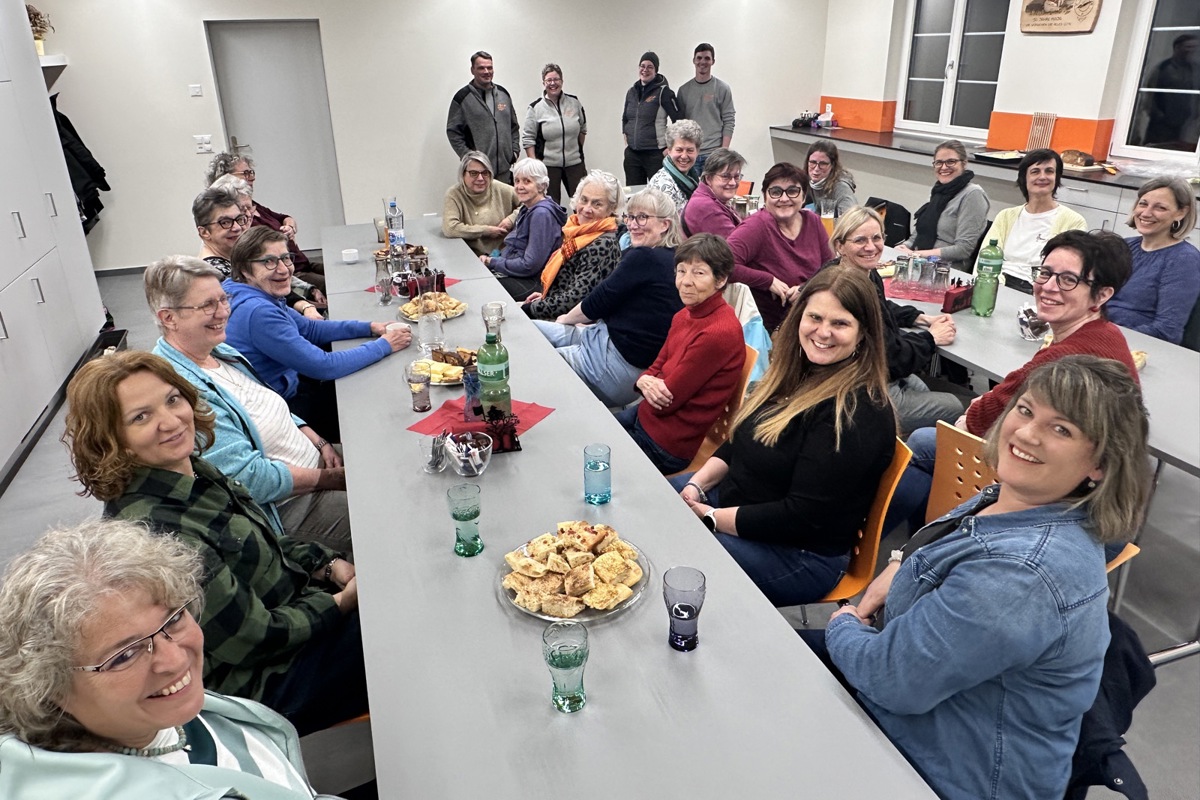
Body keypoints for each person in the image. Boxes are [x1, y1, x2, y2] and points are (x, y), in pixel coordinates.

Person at [819, 355, 1152, 800]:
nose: (1027, 433)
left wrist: (843, 620)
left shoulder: (1023, 575)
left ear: (1099, 467)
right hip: (914, 699)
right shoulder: (1010, 498)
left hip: (943, 772)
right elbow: (937, 548)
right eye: (1027, 409)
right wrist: (899, 562)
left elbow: (893, 681)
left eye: (1062, 429)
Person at [62, 354, 369, 737]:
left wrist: (328, 564)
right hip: (270, 681)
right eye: (140, 417)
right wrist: (342, 602)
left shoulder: (191, 469)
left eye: (173, 400)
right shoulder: (159, 532)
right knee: (400, 622)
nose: (171, 421)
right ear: (112, 441)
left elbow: (268, 548)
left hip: (293, 621)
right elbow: (256, 637)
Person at [0, 519, 346, 799]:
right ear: (49, 687)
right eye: (124, 655)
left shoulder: (152, 719)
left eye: (174, 619)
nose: (173, 659)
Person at [674, 265, 896, 606]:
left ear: (863, 333)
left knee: (674, 555)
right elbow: (740, 443)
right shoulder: (796, 371)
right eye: (815, 318)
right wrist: (696, 487)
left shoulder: (856, 412)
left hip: (797, 554)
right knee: (647, 497)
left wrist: (707, 517)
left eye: (840, 323)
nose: (823, 333)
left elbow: (800, 517)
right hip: (738, 510)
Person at [890, 229, 1138, 531]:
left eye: (1068, 280)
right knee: (932, 457)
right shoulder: (1109, 334)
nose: (1048, 287)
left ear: (1101, 295)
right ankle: (925, 539)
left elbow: (978, 420)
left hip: (1064, 494)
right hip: (1097, 487)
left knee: (923, 441)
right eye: (1045, 273)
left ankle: (904, 541)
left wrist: (976, 411)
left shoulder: (1064, 357)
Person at [145, 255, 351, 553]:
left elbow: (267, 403)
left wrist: (318, 441)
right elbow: (247, 479)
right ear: (168, 318)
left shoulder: (218, 349)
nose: (222, 312)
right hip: (291, 505)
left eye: (223, 299)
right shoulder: (181, 390)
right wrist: (327, 479)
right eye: (207, 305)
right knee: (390, 510)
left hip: (316, 466)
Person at [223, 227, 410, 442]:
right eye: (269, 261)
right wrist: (384, 345)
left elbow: (309, 329)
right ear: (245, 270)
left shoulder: (240, 288)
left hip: (287, 391)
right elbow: (324, 366)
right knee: (376, 403)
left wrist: (370, 327)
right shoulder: (258, 312)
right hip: (287, 412)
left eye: (286, 258)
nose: (284, 270)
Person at [533, 188, 683, 408]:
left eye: (642, 217)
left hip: (610, 366)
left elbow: (598, 301)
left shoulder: (644, 257)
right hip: (606, 346)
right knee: (529, 332)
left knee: (534, 358)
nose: (633, 224)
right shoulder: (671, 257)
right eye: (630, 217)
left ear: (664, 225)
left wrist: (564, 319)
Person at [616, 234, 744, 474]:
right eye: (681, 271)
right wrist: (644, 380)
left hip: (667, 444)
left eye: (698, 273)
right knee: (585, 433)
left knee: (594, 459)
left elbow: (667, 401)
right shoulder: (684, 315)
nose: (685, 281)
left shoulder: (717, 333)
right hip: (646, 416)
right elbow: (658, 365)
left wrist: (647, 381)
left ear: (720, 280)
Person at [829, 207, 962, 433]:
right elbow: (892, 358)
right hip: (860, 388)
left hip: (878, 373)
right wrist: (931, 339)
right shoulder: (844, 290)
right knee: (958, 406)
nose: (871, 247)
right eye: (860, 240)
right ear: (840, 245)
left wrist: (918, 317)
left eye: (877, 238)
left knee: (923, 389)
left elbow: (883, 307)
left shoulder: (864, 273)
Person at [727, 162, 834, 332]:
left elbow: (831, 268)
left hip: (813, 316)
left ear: (804, 196)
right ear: (765, 196)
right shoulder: (757, 226)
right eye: (776, 192)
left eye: (792, 191)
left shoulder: (812, 221)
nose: (784, 199)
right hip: (769, 328)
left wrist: (805, 288)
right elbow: (723, 265)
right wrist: (768, 280)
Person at [207, 176, 325, 321]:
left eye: (249, 209)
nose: (248, 217)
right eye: (240, 213)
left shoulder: (242, 244)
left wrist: (308, 292)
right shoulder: (220, 269)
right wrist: (305, 306)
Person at [205, 152, 324, 293]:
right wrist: (305, 298)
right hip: (292, 272)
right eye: (246, 173)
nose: (252, 178)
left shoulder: (252, 205)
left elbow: (285, 217)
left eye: (252, 173)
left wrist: (290, 227)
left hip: (299, 263)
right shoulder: (240, 225)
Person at [977, 148, 1087, 292]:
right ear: (1024, 178)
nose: (1042, 177)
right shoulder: (1005, 216)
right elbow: (984, 258)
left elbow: (1066, 272)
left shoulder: (1074, 222)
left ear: (1057, 177)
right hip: (998, 283)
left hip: (1038, 290)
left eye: (1049, 171)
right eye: (1035, 171)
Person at [1108, 176, 1200, 344]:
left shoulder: (1184, 261)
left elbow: (1167, 330)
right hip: (1099, 331)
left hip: (1135, 345)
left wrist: (1105, 337)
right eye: (1143, 204)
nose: (1146, 213)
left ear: (1181, 212)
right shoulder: (1124, 246)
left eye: (1160, 207)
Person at [523, 169, 623, 321]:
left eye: (597, 204)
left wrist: (530, 309)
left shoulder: (604, 244)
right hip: (556, 311)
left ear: (611, 209)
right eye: (584, 200)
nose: (587, 209)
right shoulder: (575, 230)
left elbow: (574, 300)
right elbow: (567, 286)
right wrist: (545, 296)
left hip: (574, 323)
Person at [479, 158, 567, 300]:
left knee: (482, 287)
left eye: (527, 181)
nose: (520, 186)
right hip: (520, 275)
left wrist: (493, 262)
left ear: (541, 185)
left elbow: (530, 265)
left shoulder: (541, 214)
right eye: (517, 181)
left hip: (533, 283)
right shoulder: (528, 208)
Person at [897, 139, 990, 272]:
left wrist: (918, 255)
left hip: (945, 269)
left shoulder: (973, 194)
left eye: (951, 161)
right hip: (919, 261)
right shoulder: (939, 192)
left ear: (964, 164)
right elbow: (918, 235)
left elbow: (964, 249)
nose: (944, 167)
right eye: (939, 162)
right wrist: (903, 248)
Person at [446, 51, 520, 184]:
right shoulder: (462, 98)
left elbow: (514, 126)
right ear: (472, 70)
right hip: (479, 174)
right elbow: (453, 132)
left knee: (506, 205)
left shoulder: (503, 94)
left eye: (489, 67)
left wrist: (514, 152)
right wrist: (469, 157)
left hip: (504, 172)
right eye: (481, 68)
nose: (486, 71)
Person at [522, 63, 587, 203]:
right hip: (548, 166)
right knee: (550, 205)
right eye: (549, 80)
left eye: (556, 79)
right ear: (543, 83)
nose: (553, 83)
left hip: (574, 164)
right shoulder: (535, 108)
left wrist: (575, 150)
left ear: (562, 81)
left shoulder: (574, 102)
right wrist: (535, 166)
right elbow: (528, 139)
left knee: (582, 202)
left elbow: (582, 129)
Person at [441, 150, 520, 257]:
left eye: (485, 173)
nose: (480, 178)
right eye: (473, 173)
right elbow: (450, 228)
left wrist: (511, 219)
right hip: (470, 256)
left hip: (504, 254)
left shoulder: (501, 189)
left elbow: (531, 203)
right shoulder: (454, 194)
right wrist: (485, 231)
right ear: (463, 174)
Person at [675, 42, 736, 174]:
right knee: (691, 193)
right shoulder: (684, 90)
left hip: (713, 154)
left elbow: (729, 120)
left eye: (707, 58)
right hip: (691, 154)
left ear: (713, 61)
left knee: (713, 193)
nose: (703, 61)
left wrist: (723, 151)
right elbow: (679, 125)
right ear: (694, 60)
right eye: (699, 58)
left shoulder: (722, 88)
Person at [621, 51, 679, 185]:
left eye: (650, 67)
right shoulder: (632, 92)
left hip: (655, 155)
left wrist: (670, 147)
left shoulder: (663, 92)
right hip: (633, 156)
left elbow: (680, 121)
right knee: (634, 197)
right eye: (642, 66)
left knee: (657, 197)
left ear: (656, 70)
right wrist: (626, 136)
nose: (645, 70)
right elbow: (625, 118)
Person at [681, 147, 746, 238]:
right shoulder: (707, 208)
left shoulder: (710, 198)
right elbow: (736, 246)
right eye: (725, 177)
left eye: (736, 177)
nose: (732, 183)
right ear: (708, 178)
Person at [647, 119, 704, 211]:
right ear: (669, 150)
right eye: (679, 150)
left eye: (690, 150)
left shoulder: (692, 177)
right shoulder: (664, 185)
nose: (684, 156)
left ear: (698, 151)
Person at [804, 141, 858, 218]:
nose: (816, 169)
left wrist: (817, 222)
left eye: (823, 164)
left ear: (832, 165)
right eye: (813, 162)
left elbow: (849, 220)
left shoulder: (841, 187)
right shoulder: (810, 181)